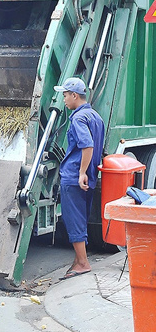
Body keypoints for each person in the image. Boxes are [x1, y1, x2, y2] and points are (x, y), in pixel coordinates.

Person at [54, 77, 105, 280]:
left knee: (72, 219)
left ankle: (83, 263)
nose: (64, 100)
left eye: (65, 95)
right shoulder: (96, 117)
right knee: (81, 218)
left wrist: (81, 172)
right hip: (88, 178)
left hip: (75, 177)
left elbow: (87, 145)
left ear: (75, 95)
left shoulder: (78, 118)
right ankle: (78, 259)